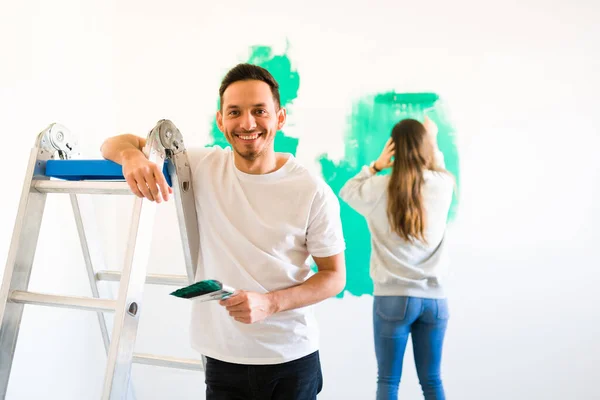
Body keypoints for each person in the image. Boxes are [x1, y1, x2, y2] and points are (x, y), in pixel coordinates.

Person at [100, 63, 346, 400]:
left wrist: (271, 303)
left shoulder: (311, 190)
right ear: (221, 120)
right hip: (222, 359)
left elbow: (334, 276)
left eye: (259, 111)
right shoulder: (200, 166)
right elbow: (112, 143)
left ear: (280, 117)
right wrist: (131, 157)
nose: (247, 123)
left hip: (290, 358)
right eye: (235, 112)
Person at [339, 117, 454, 400]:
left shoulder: (378, 187)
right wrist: (433, 139)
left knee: (388, 381)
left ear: (393, 149)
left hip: (392, 299)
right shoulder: (443, 184)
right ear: (425, 147)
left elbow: (347, 191)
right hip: (435, 301)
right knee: (432, 380)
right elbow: (436, 166)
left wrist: (376, 165)